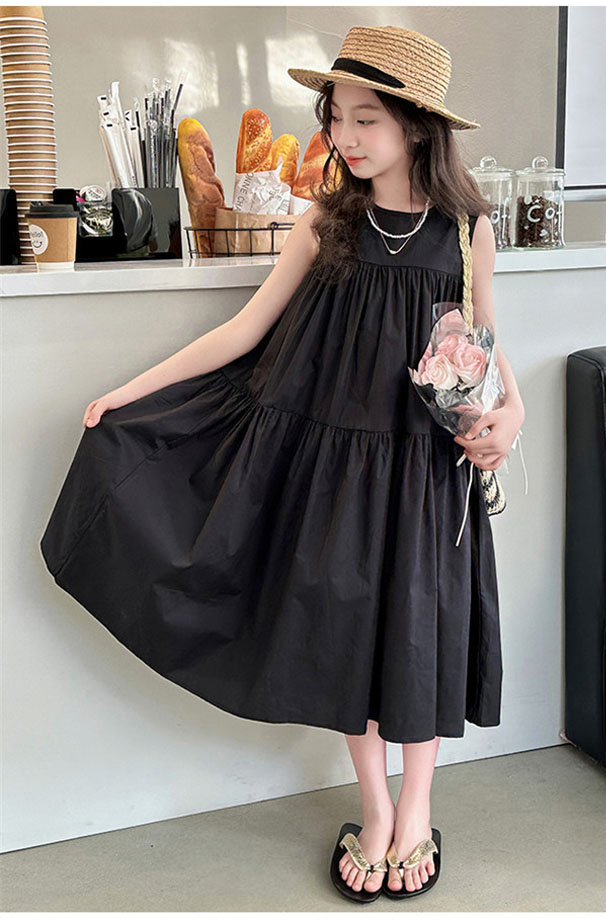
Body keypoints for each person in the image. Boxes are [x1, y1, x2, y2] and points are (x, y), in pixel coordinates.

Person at [40, 25, 525, 904]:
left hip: (426, 473)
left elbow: (487, 346)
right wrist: (129, 391)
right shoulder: (326, 222)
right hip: (337, 474)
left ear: (416, 125)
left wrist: (513, 414)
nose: (344, 136)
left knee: (417, 635)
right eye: (337, 117)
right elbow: (243, 332)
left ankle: (418, 806)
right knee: (346, 635)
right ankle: (374, 807)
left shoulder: (466, 230)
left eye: (366, 119)